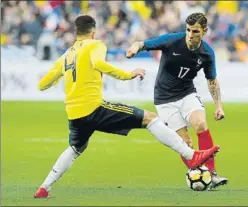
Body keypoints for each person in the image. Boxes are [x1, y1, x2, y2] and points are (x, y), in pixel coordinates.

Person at [34, 15, 220, 198]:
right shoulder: (96, 45)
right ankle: (191, 155)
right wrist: (127, 75)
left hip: (74, 114)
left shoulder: (67, 55)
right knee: (150, 118)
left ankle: (44, 187)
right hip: (94, 108)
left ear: (76, 32)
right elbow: (98, 63)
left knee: (76, 148)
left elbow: (42, 84)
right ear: (93, 32)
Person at [126, 12, 228, 189]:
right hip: (164, 99)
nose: (190, 35)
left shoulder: (207, 53)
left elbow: (212, 80)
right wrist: (134, 48)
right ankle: (199, 174)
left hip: (187, 93)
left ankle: (211, 174)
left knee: (200, 124)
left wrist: (218, 106)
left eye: (195, 31)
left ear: (204, 31)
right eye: (188, 30)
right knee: (185, 144)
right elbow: (142, 44)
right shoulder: (172, 40)